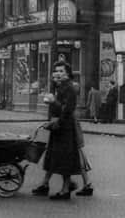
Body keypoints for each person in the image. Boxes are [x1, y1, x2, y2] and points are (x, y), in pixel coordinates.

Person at [32, 62, 81, 200]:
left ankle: (65, 190)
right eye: (56, 71)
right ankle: (45, 184)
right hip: (58, 126)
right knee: (52, 156)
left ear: (67, 73)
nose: (57, 73)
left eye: (61, 71)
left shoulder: (69, 88)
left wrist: (53, 102)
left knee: (63, 158)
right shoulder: (60, 87)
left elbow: (67, 110)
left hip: (64, 127)